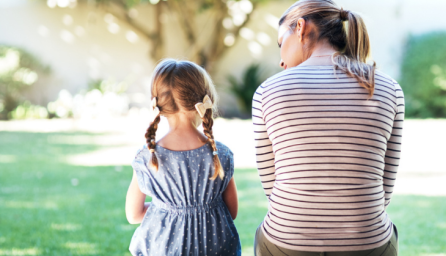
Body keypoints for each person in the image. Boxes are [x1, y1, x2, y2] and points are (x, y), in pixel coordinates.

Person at [251, 0, 404, 255]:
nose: (281, 60)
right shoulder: (389, 88)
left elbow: (272, 185)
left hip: (288, 240)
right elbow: (385, 189)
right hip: (367, 241)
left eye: (281, 44)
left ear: (300, 27)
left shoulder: (268, 91)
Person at [125, 59, 240, 256]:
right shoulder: (220, 154)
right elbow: (232, 211)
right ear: (204, 100)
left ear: (158, 104)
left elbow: (134, 214)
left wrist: (166, 210)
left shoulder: (148, 156)